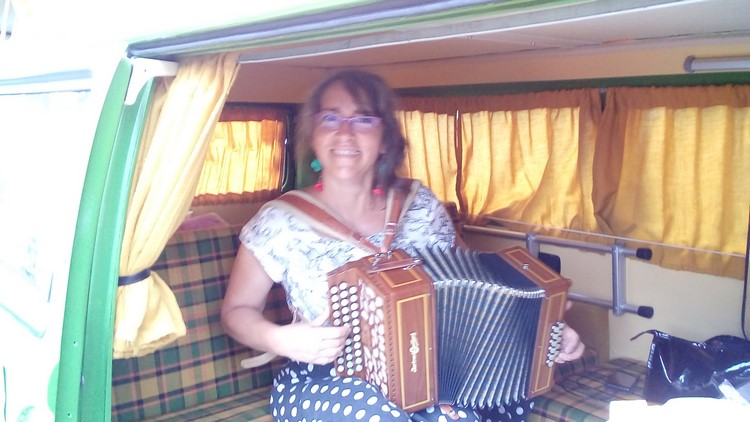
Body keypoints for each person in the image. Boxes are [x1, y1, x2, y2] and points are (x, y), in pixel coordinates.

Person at [221, 69, 585, 422]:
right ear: (313, 134)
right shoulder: (280, 220)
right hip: (330, 378)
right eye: (330, 118)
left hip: (437, 370)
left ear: (385, 140)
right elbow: (236, 310)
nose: (345, 132)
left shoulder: (420, 204)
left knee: (468, 411)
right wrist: (280, 339)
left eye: (364, 119)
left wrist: (543, 327)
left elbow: (480, 285)